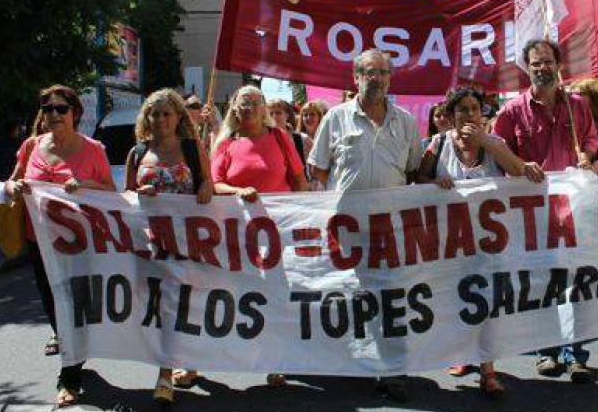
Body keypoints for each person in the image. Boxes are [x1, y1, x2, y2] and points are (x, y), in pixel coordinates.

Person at [308, 49, 423, 401]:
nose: (377, 79)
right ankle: (356, 364)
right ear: (355, 77)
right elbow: (319, 170)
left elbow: (415, 170)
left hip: (391, 228)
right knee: (350, 296)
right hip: (347, 228)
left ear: (390, 79)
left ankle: (394, 372)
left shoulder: (406, 122)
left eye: (383, 73)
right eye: (369, 73)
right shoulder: (335, 119)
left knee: (392, 298)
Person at [416, 86, 544, 397]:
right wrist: (435, 182)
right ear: (451, 116)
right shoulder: (437, 144)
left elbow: (517, 171)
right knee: (456, 301)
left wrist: (486, 141)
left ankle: (488, 371)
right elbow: (417, 181)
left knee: (485, 304)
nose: (469, 114)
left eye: (475, 108)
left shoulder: (494, 143)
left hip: (490, 242)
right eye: (463, 110)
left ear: (482, 113)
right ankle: (462, 355)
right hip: (451, 242)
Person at [492, 39, 598, 383]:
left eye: (548, 62)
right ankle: (546, 351)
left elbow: (591, 140)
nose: (542, 68)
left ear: (559, 65)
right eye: (536, 63)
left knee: (576, 284)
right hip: (534, 213)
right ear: (527, 68)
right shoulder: (512, 111)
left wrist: (588, 155)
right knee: (543, 284)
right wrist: (520, 165)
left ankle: (576, 354)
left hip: (573, 210)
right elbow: (498, 151)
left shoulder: (578, 105)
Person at [3, 85, 116, 408]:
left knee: (72, 305)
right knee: (54, 306)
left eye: (61, 109)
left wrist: (84, 185)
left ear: (74, 113)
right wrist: (16, 186)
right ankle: (72, 349)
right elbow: (9, 183)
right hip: (38, 240)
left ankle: (70, 376)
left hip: (80, 244)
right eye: (48, 109)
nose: (54, 114)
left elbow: (109, 191)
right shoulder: (31, 146)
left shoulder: (93, 149)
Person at [211, 85, 309, 388]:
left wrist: (305, 217)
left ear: (263, 107)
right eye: (244, 103)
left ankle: (278, 358)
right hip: (240, 234)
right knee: (244, 294)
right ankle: (241, 352)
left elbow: (299, 180)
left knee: (277, 293)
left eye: (255, 102)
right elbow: (215, 183)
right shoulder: (226, 143)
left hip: (278, 232)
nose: (249, 108)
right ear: (234, 109)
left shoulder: (280, 137)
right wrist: (238, 191)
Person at [124, 89, 213, 405]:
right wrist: (139, 192)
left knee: (184, 304)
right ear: (147, 118)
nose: (160, 119)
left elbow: (208, 182)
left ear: (178, 117)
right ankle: (165, 372)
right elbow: (127, 197)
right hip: (152, 244)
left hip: (189, 242)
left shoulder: (191, 148)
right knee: (161, 306)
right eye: (155, 114)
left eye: (166, 113)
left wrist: (204, 190)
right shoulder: (137, 153)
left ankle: (185, 359)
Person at [571, 78, 598, 146]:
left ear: (595, 97)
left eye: (578, 94)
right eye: (571, 94)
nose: (572, 98)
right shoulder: (573, 122)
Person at [269, 98, 312, 167]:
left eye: (278, 113)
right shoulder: (264, 139)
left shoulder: (302, 138)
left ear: (287, 115)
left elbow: (313, 165)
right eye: (271, 114)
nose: (274, 116)